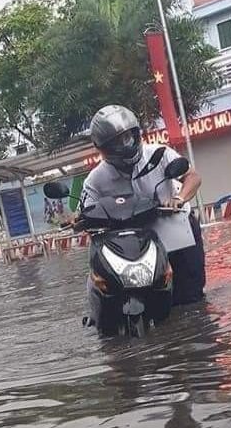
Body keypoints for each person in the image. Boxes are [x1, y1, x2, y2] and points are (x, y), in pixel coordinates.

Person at [81, 104, 205, 304]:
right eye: (116, 143)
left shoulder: (160, 154)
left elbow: (193, 177)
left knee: (192, 296)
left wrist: (179, 198)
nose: (124, 145)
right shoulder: (96, 179)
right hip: (133, 242)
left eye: (128, 137)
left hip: (175, 227)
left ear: (137, 134)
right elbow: (85, 211)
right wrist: (78, 220)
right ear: (102, 149)